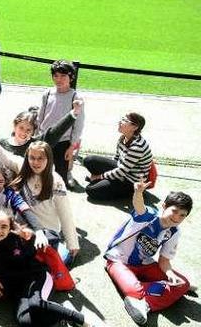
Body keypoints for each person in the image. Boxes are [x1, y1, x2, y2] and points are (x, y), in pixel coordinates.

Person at [0, 210, 99, 327]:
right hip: (18, 285)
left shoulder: (19, 237)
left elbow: (53, 236)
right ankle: (59, 311)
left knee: (36, 304)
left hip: (37, 276)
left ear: (10, 228)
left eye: (4, 226)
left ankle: (79, 318)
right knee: (24, 321)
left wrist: (31, 235)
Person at [105, 180, 192, 325]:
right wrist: (138, 193)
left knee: (183, 284)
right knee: (134, 291)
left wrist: (170, 275)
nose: (177, 217)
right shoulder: (149, 216)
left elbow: (164, 261)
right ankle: (150, 293)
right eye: (174, 211)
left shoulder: (175, 231)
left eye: (182, 215)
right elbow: (139, 206)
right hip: (118, 260)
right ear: (164, 206)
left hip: (145, 264)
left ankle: (144, 304)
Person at [10, 141, 79, 264]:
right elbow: (4, 156)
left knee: (49, 263)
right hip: (24, 228)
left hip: (48, 231)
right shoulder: (23, 168)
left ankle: (61, 251)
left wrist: (72, 242)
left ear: (49, 159)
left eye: (41, 158)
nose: (36, 162)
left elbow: (65, 213)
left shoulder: (56, 180)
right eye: (32, 158)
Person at [85, 112, 153, 201]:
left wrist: (100, 176)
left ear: (134, 127)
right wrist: (106, 173)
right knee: (89, 160)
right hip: (121, 172)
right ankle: (105, 182)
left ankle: (133, 193)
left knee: (91, 190)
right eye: (122, 118)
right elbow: (116, 159)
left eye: (125, 120)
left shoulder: (137, 147)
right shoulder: (123, 138)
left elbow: (123, 170)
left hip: (130, 181)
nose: (120, 122)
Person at [37, 60, 84, 188]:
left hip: (63, 142)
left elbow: (78, 125)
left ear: (71, 77)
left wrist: (72, 146)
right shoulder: (47, 94)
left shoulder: (75, 97)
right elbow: (40, 117)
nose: (59, 79)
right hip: (45, 139)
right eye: (56, 76)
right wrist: (38, 136)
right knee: (40, 171)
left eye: (63, 76)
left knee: (60, 175)